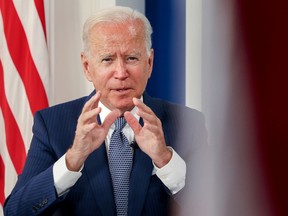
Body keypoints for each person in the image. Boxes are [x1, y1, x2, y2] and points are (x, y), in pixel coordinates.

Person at [4, 6, 207, 216]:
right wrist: (72, 160)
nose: (120, 73)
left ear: (149, 62)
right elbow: (16, 212)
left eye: (131, 58)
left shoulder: (188, 123)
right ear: (87, 66)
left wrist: (165, 159)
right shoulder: (52, 124)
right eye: (107, 59)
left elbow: (218, 207)